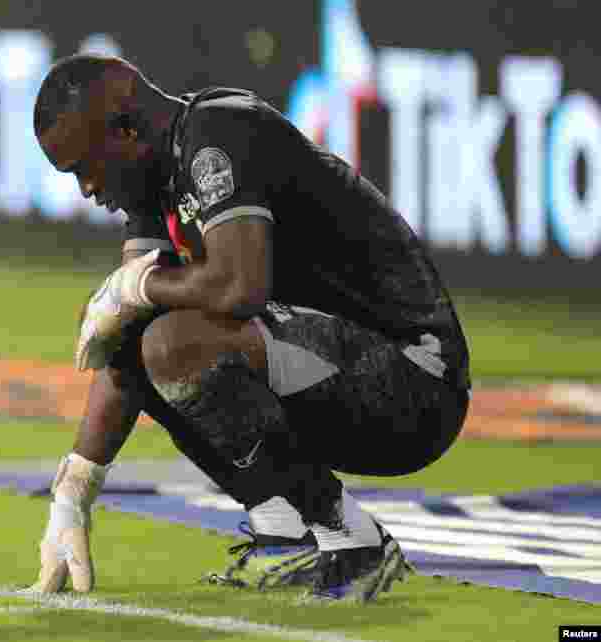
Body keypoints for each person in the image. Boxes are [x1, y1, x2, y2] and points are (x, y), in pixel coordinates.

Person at [24, 54, 470, 603]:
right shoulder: (155, 184)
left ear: (125, 127)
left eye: (85, 167)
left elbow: (240, 287)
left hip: (416, 381)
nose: (87, 189)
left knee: (174, 342)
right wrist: (74, 492)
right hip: (332, 371)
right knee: (145, 343)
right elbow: (125, 338)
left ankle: (348, 540)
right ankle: (285, 534)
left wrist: (136, 287)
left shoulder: (219, 135)